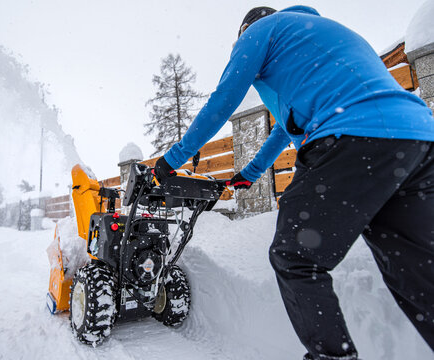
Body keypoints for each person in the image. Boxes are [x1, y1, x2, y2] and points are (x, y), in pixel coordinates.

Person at [153, 5, 434, 360]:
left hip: (353, 136)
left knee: (295, 256)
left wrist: (170, 161)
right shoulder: (314, 37)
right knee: (415, 273)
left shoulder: (259, 33)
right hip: (416, 140)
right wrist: (251, 174)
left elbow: (224, 99)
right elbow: (285, 129)